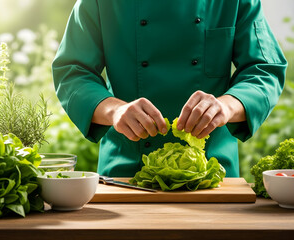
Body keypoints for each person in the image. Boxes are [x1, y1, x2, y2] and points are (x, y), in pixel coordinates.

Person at [52, 0, 287, 177]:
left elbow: (264, 69)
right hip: (125, 172)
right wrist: (115, 111)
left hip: (213, 170)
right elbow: (72, 72)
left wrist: (226, 106)